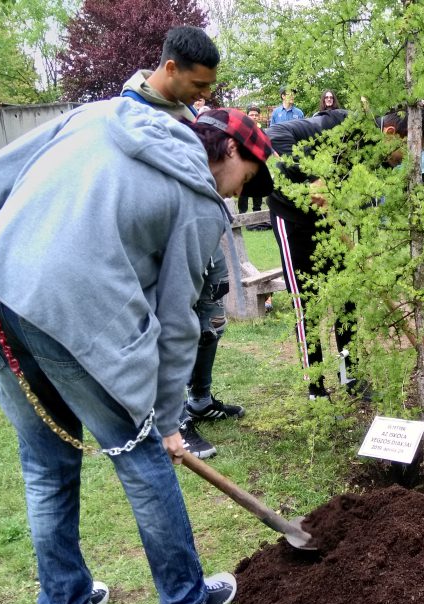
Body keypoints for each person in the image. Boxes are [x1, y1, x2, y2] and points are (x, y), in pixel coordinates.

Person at [0, 98, 275, 604]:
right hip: (71, 314)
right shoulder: (198, 200)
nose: (244, 191)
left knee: (46, 464)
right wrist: (167, 420)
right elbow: (177, 322)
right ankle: (187, 602)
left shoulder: (101, 116)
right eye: (250, 175)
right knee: (140, 452)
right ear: (232, 150)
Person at [122, 27, 242, 460]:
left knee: (212, 317)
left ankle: (201, 398)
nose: (205, 94)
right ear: (170, 68)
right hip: (169, 239)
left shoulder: (184, 110)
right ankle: (172, 418)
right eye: (200, 84)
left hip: (203, 231)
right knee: (177, 321)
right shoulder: (132, 111)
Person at [265, 105, 424, 397]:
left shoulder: (373, 156)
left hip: (333, 219)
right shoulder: (341, 125)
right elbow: (275, 135)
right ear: (390, 133)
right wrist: (310, 178)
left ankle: (350, 377)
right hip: (291, 216)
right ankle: (315, 388)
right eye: (405, 152)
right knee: (306, 303)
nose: (403, 161)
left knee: (347, 298)